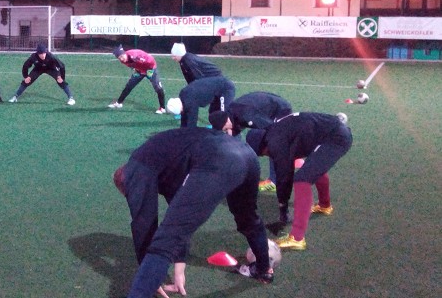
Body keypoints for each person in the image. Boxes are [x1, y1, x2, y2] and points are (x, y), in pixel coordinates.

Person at [114, 128, 274, 298]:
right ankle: (263, 269)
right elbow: (180, 211)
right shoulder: (164, 165)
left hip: (219, 157)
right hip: (246, 154)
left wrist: (148, 276)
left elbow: (143, 224)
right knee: (248, 218)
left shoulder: (136, 169)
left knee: (165, 238)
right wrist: (179, 267)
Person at [246, 112, 353, 250]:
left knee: (302, 180)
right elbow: (286, 171)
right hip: (329, 132)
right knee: (313, 169)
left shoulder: (277, 142)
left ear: (263, 145)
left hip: (335, 138)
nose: (267, 155)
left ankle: (297, 238)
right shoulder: (276, 134)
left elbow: (285, 178)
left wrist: (283, 209)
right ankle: (324, 206)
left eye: (263, 153)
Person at [212, 91, 294, 192]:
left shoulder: (247, 116)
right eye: (224, 130)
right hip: (261, 108)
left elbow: (273, 130)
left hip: (280, 110)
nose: (227, 132)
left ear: (227, 121)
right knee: (241, 143)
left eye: (226, 129)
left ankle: (274, 181)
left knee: (273, 142)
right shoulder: (226, 116)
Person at [8, 43, 75, 105]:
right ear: (37, 53)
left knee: (60, 81)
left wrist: (61, 77)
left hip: (51, 68)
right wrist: (26, 77)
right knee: (27, 81)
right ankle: (15, 97)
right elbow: (25, 66)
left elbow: (62, 66)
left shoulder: (51, 56)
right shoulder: (33, 57)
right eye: (40, 54)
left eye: (44, 53)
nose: (43, 55)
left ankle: (71, 98)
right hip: (38, 69)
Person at [107, 45, 166, 114]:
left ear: (125, 53)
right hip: (139, 70)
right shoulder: (123, 60)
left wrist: (149, 70)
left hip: (150, 69)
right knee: (129, 86)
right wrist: (137, 70)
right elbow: (132, 65)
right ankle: (119, 103)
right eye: (119, 58)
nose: (121, 59)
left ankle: (162, 108)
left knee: (158, 88)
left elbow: (151, 61)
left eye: (122, 56)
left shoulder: (135, 56)